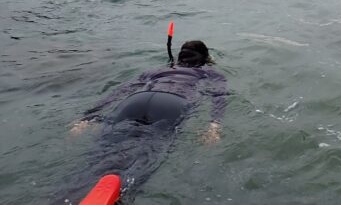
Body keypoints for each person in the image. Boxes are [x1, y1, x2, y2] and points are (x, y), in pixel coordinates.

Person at [60, 40, 228, 203]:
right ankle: (119, 196)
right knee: (147, 154)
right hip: (172, 103)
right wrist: (214, 125)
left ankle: (67, 194)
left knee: (102, 151)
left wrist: (88, 117)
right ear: (205, 58)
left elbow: (122, 90)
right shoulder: (211, 73)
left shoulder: (156, 70)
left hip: (136, 101)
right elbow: (219, 96)